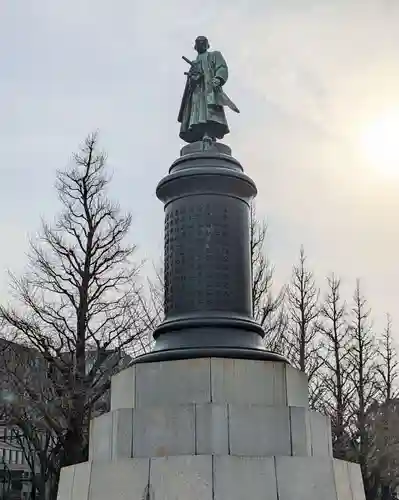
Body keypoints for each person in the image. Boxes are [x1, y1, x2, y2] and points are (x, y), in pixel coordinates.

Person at [178, 36, 239, 146]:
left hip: (210, 90)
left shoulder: (214, 55)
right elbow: (190, 82)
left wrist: (218, 78)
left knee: (209, 112)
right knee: (197, 114)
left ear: (207, 45)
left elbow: (222, 67)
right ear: (195, 47)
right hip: (197, 92)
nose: (201, 44)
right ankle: (199, 135)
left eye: (203, 42)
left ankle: (208, 134)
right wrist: (193, 78)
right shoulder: (194, 63)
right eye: (198, 43)